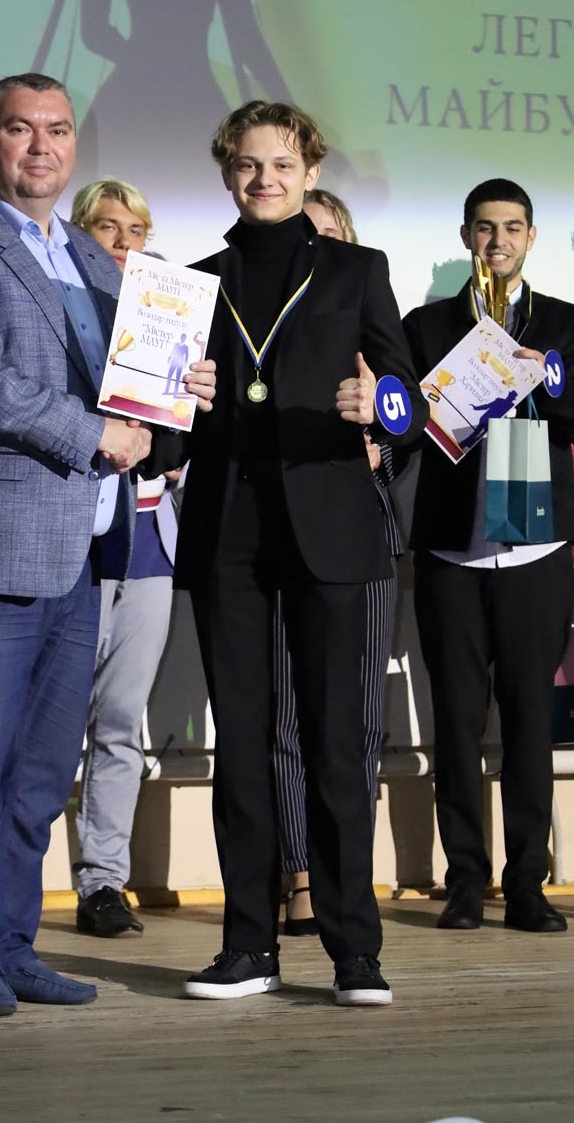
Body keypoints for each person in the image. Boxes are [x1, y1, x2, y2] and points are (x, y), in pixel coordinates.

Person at [0, 74, 216, 1017]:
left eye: (59, 130)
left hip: (82, 548)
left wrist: (178, 387)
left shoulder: (94, 258)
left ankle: (11, 943)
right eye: (20, 129)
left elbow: (129, 385)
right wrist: (91, 432)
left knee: (38, 774)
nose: (42, 146)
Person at [148, 100, 426, 1006]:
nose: (263, 178)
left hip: (330, 529)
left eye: (280, 164)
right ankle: (247, 948)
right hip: (229, 535)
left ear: (310, 172)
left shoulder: (355, 269)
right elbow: (160, 442)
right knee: (242, 747)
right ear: (227, 174)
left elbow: (407, 399)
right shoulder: (193, 284)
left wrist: (378, 406)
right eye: (246, 164)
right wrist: (179, 400)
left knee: (336, 743)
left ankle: (355, 953)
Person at [403, 178, 574, 934]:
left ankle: (527, 884)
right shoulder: (426, 325)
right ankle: (465, 881)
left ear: (531, 237)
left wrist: (544, 378)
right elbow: (404, 422)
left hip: (536, 547)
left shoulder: (564, 322)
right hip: (452, 548)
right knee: (457, 722)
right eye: (484, 227)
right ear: (465, 236)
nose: (497, 240)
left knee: (530, 722)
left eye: (511, 227)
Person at [273, 189, 402, 937]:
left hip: (359, 532)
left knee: (358, 719)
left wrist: (379, 437)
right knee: (288, 717)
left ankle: (349, 877)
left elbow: (409, 420)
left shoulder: (368, 315)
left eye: (325, 234)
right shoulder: (264, 324)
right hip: (279, 529)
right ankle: (299, 875)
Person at [69, 178, 180, 937]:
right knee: (48, 721)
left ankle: (102, 882)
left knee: (118, 721)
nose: (122, 241)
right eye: (106, 227)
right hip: (71, 539)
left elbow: (178, 438)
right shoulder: (60, 308)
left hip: (147, 543)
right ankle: (9, 881)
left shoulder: (166, 317)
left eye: (135, 230)